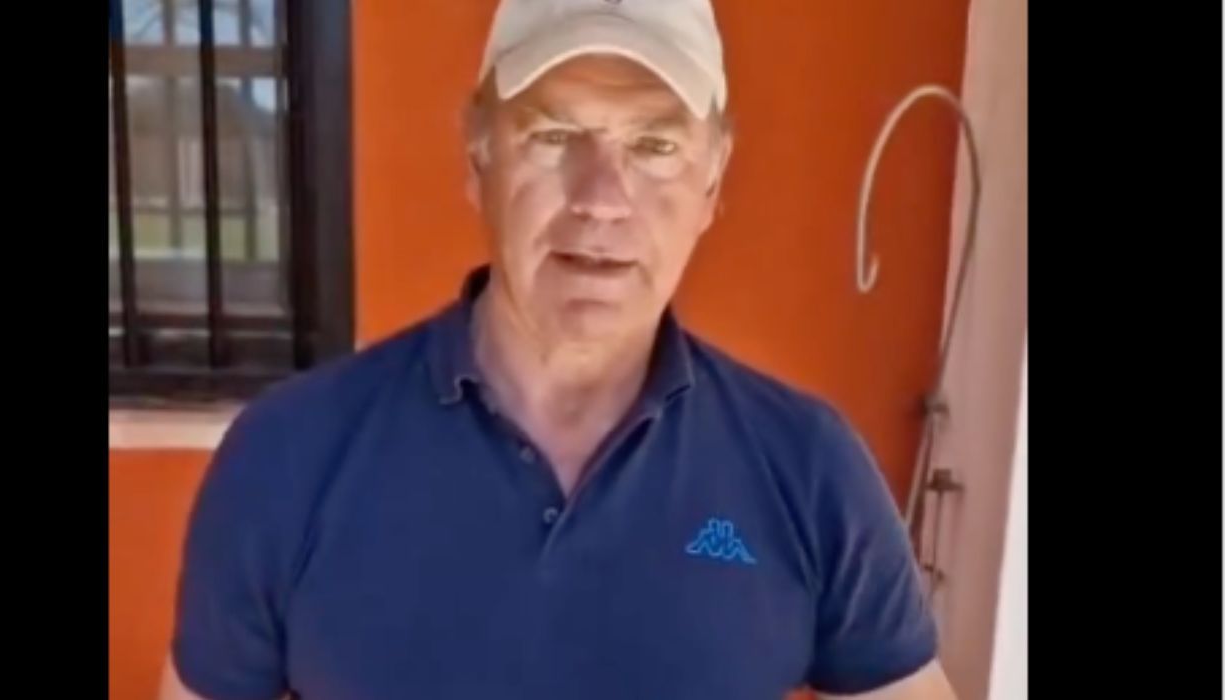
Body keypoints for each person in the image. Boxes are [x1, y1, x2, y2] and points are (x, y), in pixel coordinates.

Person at [160, 0, 958, 697]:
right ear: (478, 157)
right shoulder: (288, 457)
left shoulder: (808, 469)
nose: (601, 199)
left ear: (714, 181)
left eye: (655, 145)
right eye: (552, 135)